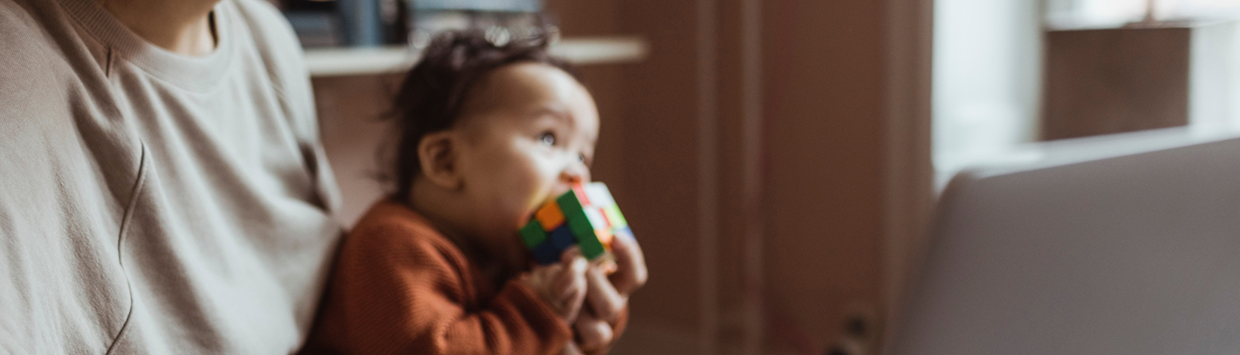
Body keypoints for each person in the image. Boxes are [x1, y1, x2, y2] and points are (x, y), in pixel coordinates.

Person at [300, 31, 645, 355]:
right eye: (548, 138)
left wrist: (594, 307)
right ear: (446, 161)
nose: (578, 172)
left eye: (583, 155)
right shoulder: (393, 245)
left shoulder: (511, 249)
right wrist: (538, 310)